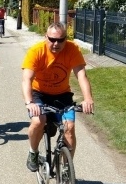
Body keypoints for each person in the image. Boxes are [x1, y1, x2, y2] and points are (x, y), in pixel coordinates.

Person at [22, 22, 95, 172]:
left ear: (66, 39)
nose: (56, 44)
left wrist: (88, 99)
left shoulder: (72, 49)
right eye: (52, 39)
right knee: (38, 120)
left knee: (70, 127)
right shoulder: (36, 51)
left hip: (62, 95)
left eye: (61, 40)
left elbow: (81, 75)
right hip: (39, 94)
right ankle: (33, 152)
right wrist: (29, 102)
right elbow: (26, 79)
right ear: (45, 37)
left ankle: (66, 168)